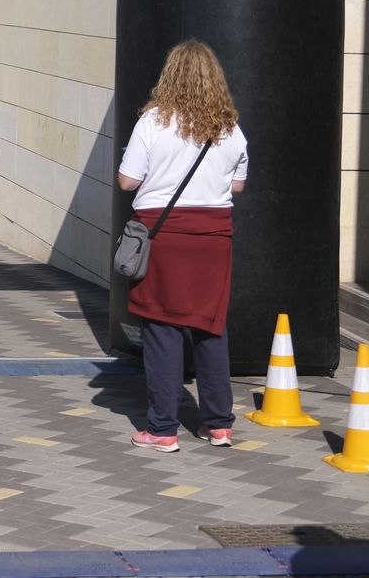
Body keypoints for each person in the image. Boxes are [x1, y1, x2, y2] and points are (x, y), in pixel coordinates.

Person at [116, 38, 248, 452]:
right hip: (213, 239)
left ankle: (162, 429)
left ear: (169, 76)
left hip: (165, 235)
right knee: (210, 327)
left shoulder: (152, 123)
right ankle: (218, 424)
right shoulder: (229, 127)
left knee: (162, 329)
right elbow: (238, 186)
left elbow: (127, 181)